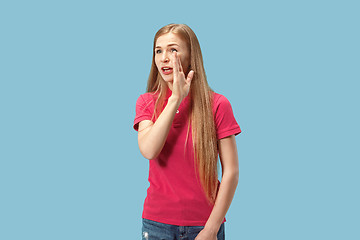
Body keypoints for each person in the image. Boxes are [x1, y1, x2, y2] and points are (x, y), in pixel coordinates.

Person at [133, 23, 241, 240]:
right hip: (157, 225)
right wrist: (175, 99)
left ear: (191, 56)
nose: (164, 57)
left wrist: (211, 229)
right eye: (158, 50)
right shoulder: (146, 102)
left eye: (173, 50)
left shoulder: (218, 105)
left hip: (204, 225)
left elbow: (231, 172)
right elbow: (149, 150)